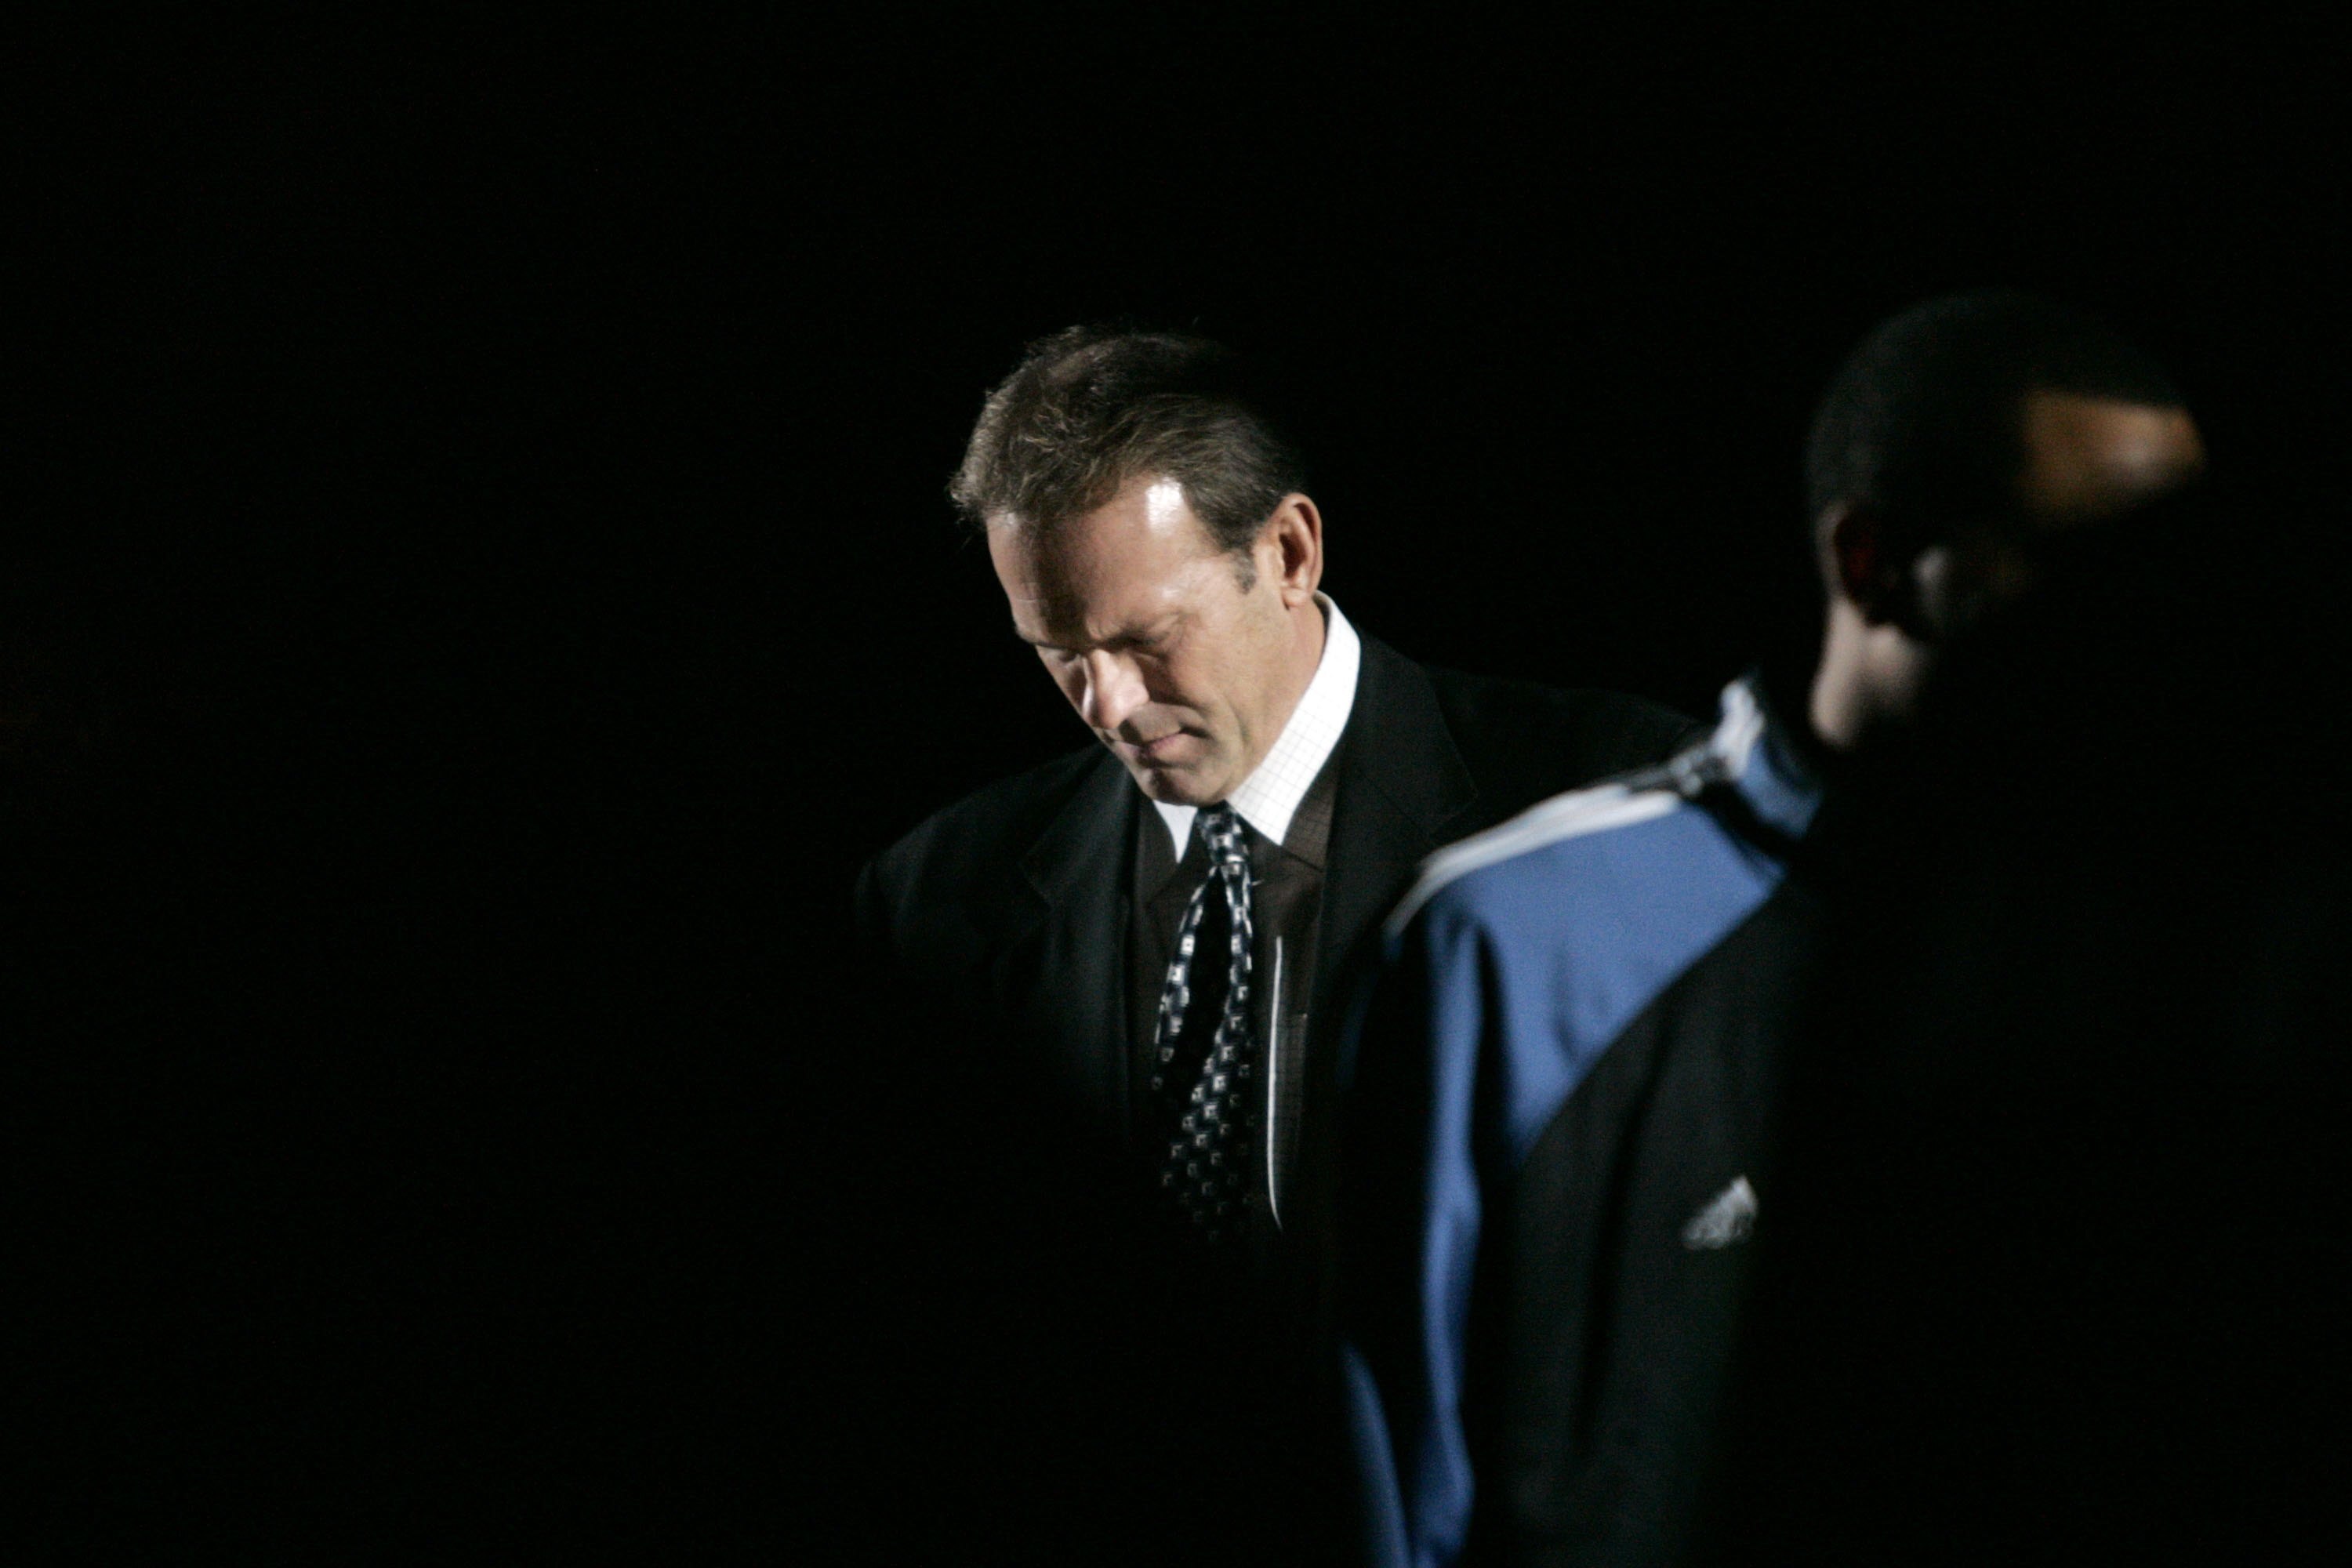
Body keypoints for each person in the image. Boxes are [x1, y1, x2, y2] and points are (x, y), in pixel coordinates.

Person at [1340, 292, 2209, 1567]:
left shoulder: (2207, 955)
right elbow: (1386, 1488)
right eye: (2079, 570)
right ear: (1873, 565)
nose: (2151, 639)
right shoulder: (1512, 944)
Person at [852, 325, 1693, 1561]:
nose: (1110, 708)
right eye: (1058, 655)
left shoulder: (1616, 810)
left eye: (1144, 640)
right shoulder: (931, 901)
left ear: (1289, 552)